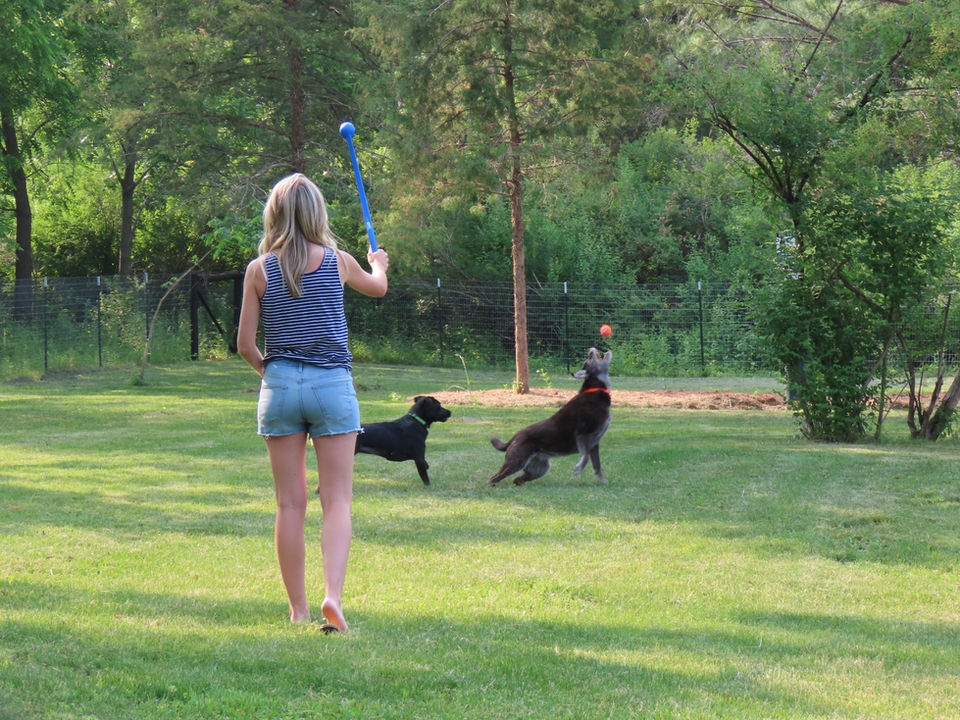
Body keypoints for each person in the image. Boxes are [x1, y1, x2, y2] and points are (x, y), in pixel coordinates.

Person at [237, 173, 389, 629]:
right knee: (337, 500)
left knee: (289, 505)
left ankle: (298, 610)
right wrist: (377, 262)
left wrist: (274, 373)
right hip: (332, 387)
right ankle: (334, 599)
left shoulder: (259, 269)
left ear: (275, 213)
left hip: (280, 387)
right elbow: (378, 288)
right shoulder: (338, 262)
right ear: (318, 212)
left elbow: (245, 344)